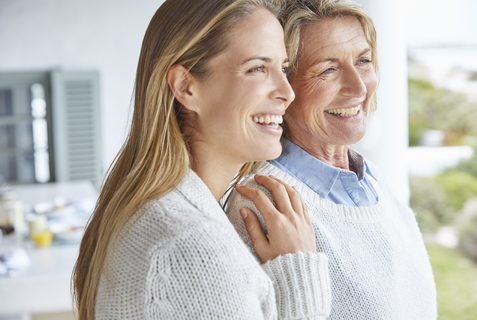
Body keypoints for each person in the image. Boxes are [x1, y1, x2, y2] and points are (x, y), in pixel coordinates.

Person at [72, 0, 332, 319]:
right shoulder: (191, 247)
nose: (287, 92)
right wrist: (299, 275)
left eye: (283, 68)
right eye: (257, 68)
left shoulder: (156, 211)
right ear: (186, 86)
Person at [226, 0, 437, 319]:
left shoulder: (373, 180)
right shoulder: (265, 206)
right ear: (282, 86)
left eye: (363, 61)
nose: (358, 87)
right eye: (327, 69)